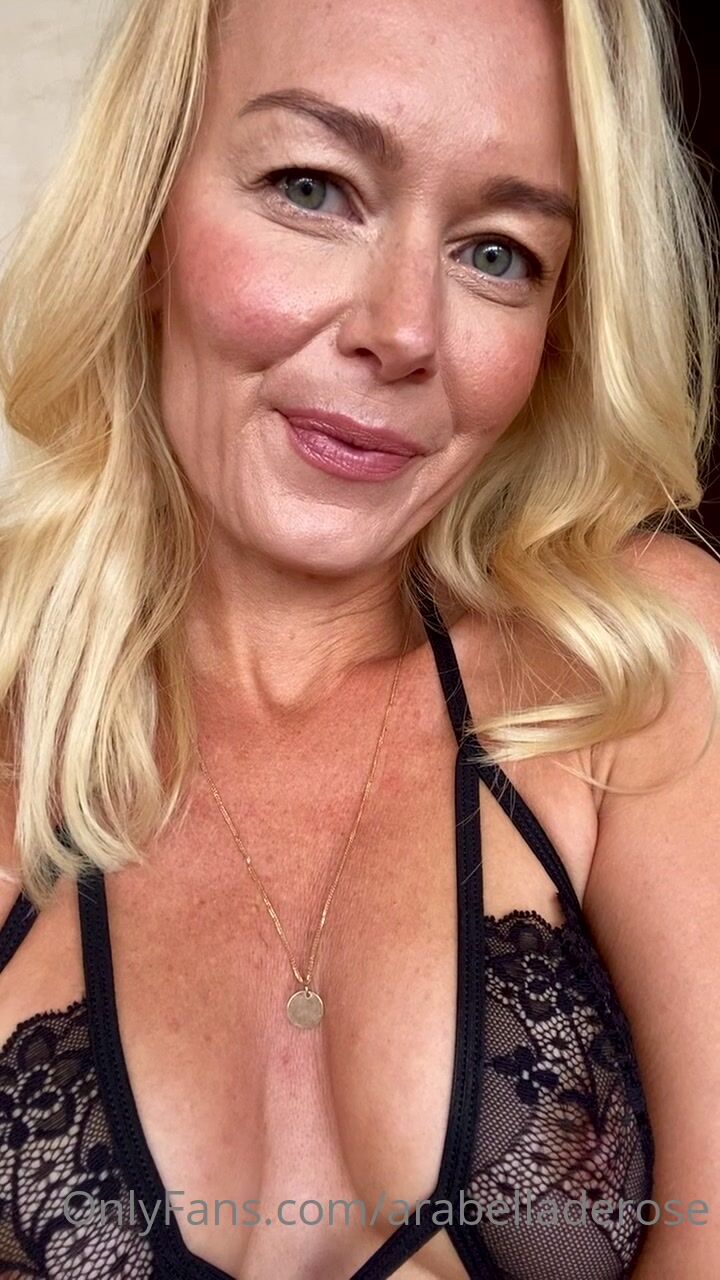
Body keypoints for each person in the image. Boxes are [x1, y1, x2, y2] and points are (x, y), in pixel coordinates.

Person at [0, 0, 718, 1276]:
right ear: (149, 209)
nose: (404, 330)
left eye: (497, 252)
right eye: (312, 187)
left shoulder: (638, 670)